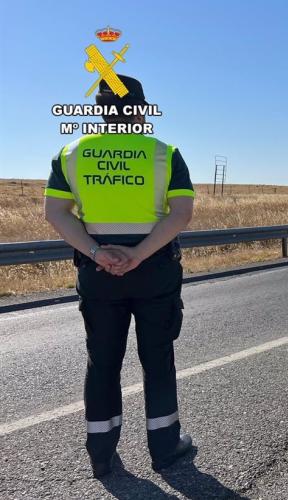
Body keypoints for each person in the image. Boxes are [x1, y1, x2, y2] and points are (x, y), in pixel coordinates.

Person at [44, 75, 195, 478]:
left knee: (103, 362)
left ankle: (101, 454)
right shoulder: (165, 153)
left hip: (98, 273)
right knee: (157, 360)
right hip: (155, 272)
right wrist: (138, 255)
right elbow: (181, 214)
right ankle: (165, 448)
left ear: (100, 110)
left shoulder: (70, 153)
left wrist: (97, 252)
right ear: (141, 110)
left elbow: (56, 213)